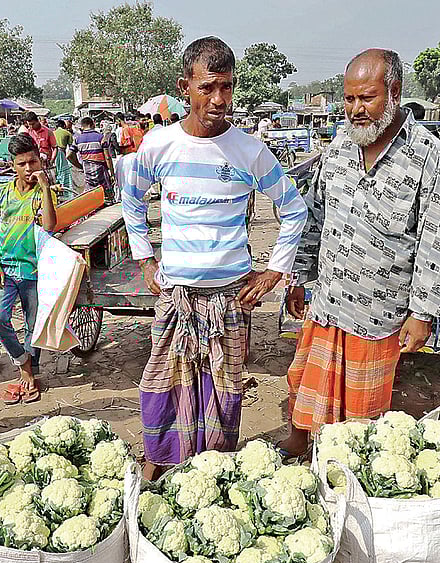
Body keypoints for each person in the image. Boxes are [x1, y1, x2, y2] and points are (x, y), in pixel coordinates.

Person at [122, 36, 309, 477]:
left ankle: (215, 467)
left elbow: (295, 208)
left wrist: (274, 271)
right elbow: (131, 198)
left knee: (222, 389)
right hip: (176, 293)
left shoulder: (250, 151)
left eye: (226, 87)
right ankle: (160, 459)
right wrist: (145, 257)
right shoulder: (158, 145)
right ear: (184, 86)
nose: (219, 99)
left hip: (230, 297)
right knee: (162, 382)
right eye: (207, 88)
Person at [282, 49, 440, 456]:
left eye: (367, 98)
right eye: (349, 99)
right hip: (327, 298)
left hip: (378, 312)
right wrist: (299, 276)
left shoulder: (430, 158)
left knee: (360, 417)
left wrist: (422, 313)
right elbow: (316, 215)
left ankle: (346, 471)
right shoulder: (340, 147)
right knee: (303, 379)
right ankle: (299, 442)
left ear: (394, 92)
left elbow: (435, 240)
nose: (356, 110)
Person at [0, 134, 58, 404]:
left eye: (33, 162)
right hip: (6, 268)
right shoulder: (1, 194)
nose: (29, 169)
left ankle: (30, 373)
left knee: (32, 324)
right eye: (22, 164)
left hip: (34, 270)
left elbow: (50, 226)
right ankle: (23, 360)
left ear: (40, 160)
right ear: (12, 165)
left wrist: (46, 188)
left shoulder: (42, 194)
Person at [75, 116, 114, 196]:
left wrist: (80, 166)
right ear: (92, 124)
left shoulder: (78, 139)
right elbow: (107, 157)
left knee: (91, 195)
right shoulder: (100, 137)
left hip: (87, 171)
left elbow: (69, 155)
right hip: (101, 171)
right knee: (106, 194)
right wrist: (112, 173)